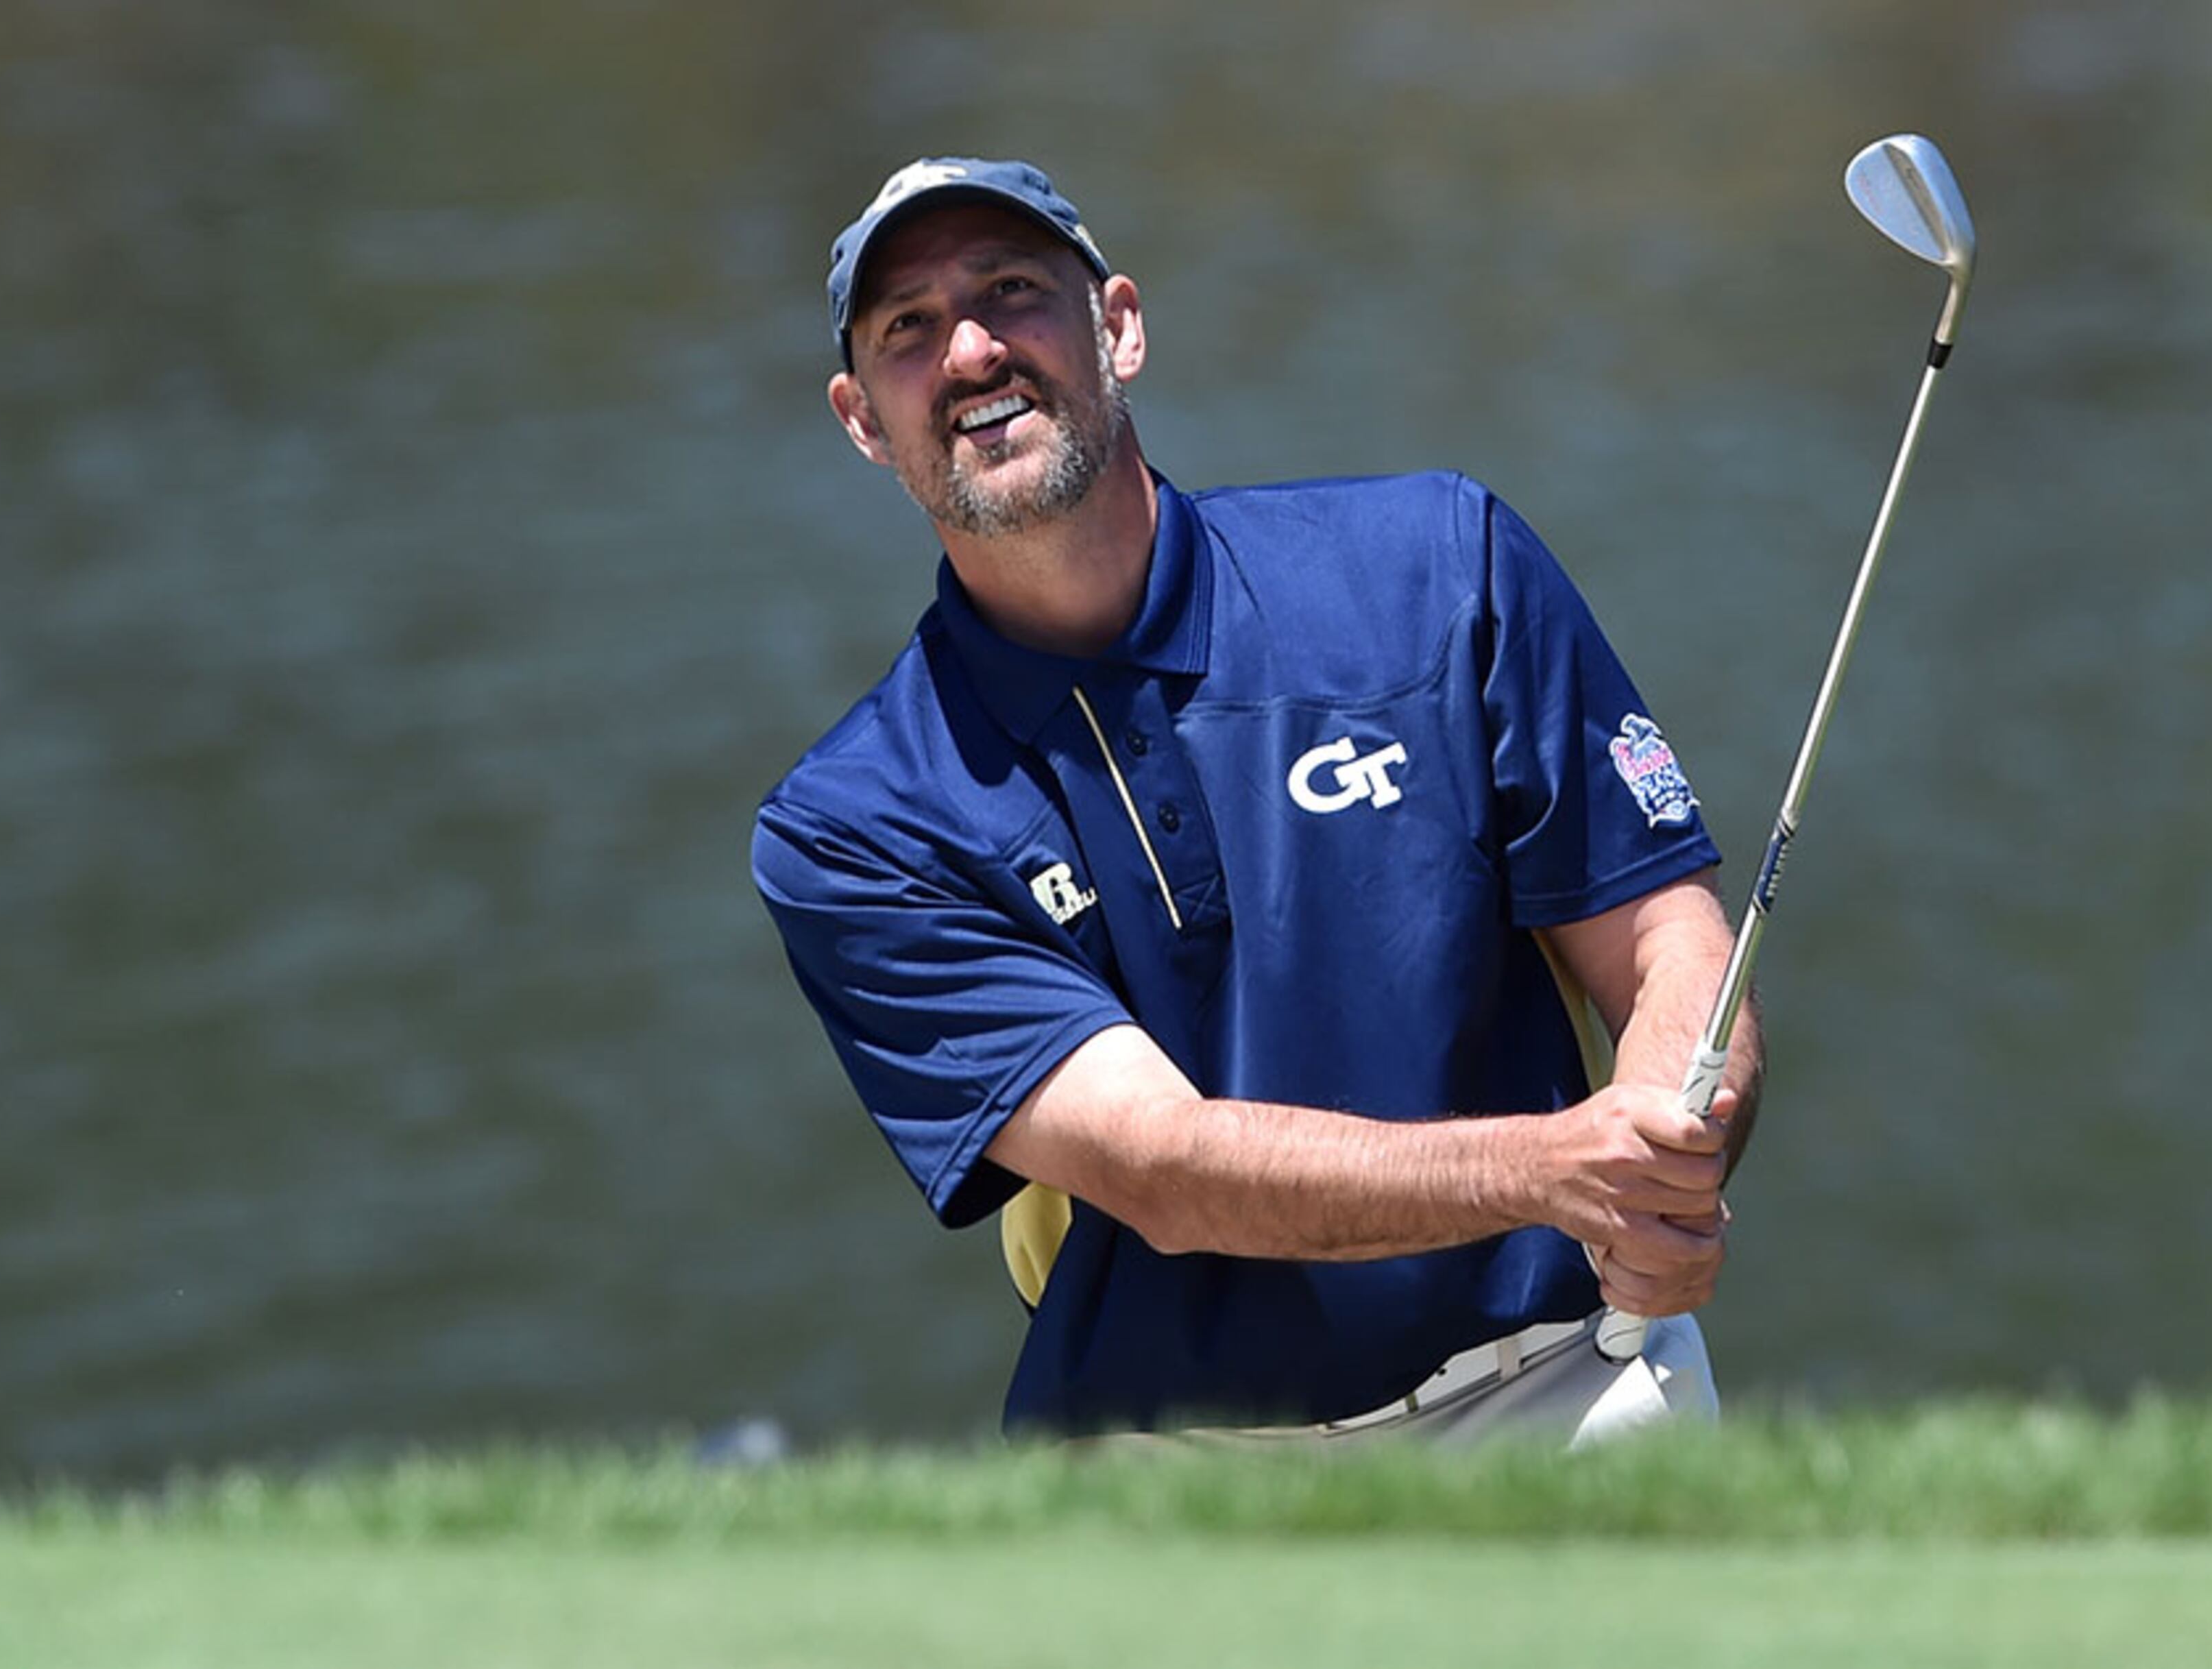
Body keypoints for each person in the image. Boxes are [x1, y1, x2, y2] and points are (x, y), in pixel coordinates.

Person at [751, 156, 1762, 1443]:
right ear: (860, 419)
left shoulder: (1441, 565)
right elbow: (1165, 1170)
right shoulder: (852, 824)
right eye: (908, 327)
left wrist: (1676, 1150)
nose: (970, 351)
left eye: (1013, 291)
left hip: (1574, 1387)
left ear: (1117, 326)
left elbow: (1673, 942)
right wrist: (1567, 1174)